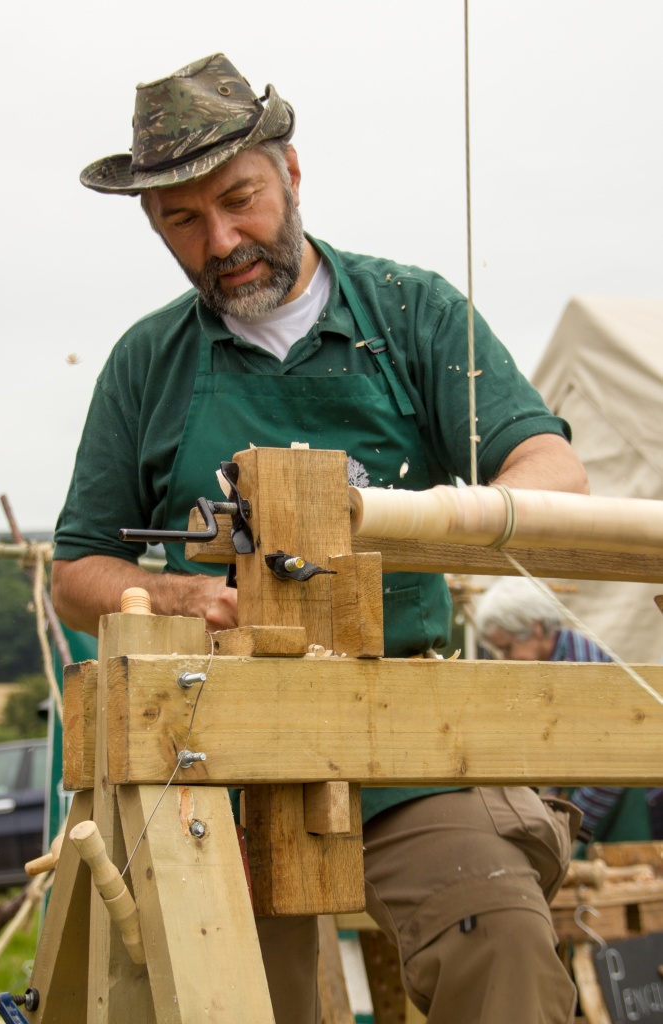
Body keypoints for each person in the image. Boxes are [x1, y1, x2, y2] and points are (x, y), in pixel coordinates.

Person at [52, 53, 591, 1024]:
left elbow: (551, 473)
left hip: (396, 734)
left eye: (240, 199)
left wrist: (418, 524)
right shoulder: (145, 363)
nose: (222, 240)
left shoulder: (410, 310)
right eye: (182, 220)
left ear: (290, 173)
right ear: (154, 225)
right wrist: (191, 596)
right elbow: (76, 574)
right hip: (205, 752)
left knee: (497, 934)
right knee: (219, 994)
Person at [475, 576, 655, 851]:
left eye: (507, 648)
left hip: (622, 801)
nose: (505, 660)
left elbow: (613, 763)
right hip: (593, 796)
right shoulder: (553, 664)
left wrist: (570, 826)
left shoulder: (581, 668)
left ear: (535, 629)